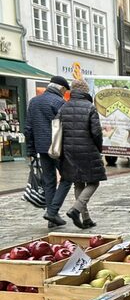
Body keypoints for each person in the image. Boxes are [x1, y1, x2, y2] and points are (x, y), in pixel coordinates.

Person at [57, 79, 107, 229]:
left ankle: (86, 219)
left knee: (78, 182)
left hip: (68, 151)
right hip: (87, 150)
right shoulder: (89, 107)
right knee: (93, 182)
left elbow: (58, 130)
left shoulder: (63, 107)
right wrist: (99, 148)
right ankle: (76, 209)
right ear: (85, 91)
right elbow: (96, 132)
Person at [24, 75, 72, 228]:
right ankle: (52, 211)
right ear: (62, 88)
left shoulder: (34, 101)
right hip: (58, 148)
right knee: (68, 177)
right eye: (65, 90)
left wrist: (31, 150)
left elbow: (28, 128)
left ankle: (52, 220)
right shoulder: (60, 102)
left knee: (49, 181)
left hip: (42, 149)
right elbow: (66, 128)